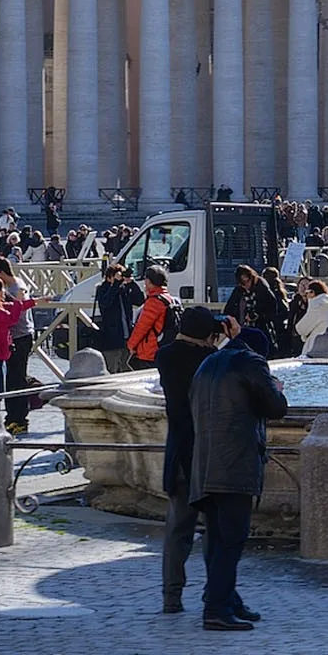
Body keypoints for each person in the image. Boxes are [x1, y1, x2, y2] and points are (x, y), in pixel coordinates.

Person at [188, 321, 288, 630]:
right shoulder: (252, 361)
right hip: (234, 463)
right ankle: (216, 609)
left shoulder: (208, 362)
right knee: (232, 538)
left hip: (204, 464)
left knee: (217, 537)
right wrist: (276, 388)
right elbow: (276, 408)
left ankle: (226, 599)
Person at [155, 306, 236, 614]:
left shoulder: (165, 356)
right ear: (205, 335)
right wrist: (232, 339)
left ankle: (171, 596)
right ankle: (215, 595)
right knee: (215, 531)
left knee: (177, 532)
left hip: (179, 456)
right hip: (209, 456)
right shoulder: (210, 361)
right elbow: (250, 360)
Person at [0, 259, 37, 432]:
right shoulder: (18, 283)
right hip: (22, 334)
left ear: (1, 273)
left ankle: (19, 419)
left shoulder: (14, 289)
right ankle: (13, 416)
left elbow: (16, 312)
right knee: (14, 377)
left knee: (16, 378)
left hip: (20, 335)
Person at [126, 265, 179, 370]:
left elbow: (142, 327)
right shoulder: (171, 299)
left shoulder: (154, 302)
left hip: (150, 351)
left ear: (149, 282)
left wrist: (131, 345)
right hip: (166, 347)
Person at [92, 264, 143, 373]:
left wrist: (132, 283)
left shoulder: (124, 289)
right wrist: (115, 284)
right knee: (112, 370)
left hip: (127, 337)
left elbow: (140, 301)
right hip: (111, 339)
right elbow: (105, 303)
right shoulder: (102, 289)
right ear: (108, 277)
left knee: (127, 369)